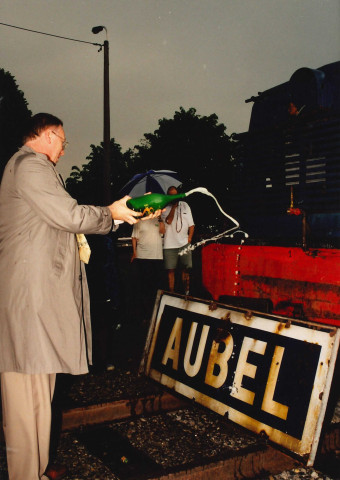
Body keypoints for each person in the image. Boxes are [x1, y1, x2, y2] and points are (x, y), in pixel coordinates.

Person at [0, 113, 159, 480]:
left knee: (39, 397)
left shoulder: (32, 168)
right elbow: (68, 215)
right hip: (29, 302)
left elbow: (61, 220)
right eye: (63, 141)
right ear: (48, 135)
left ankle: (35, 470)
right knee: (27, 405)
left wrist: (118, 217)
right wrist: (111, 212)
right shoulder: (30, 165)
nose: (64, 149)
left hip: (36, 302)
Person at [131, 213, 165, 321]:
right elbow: (134, 237)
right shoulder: (139, 220)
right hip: (143, 257)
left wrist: (160, 219)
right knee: (145, 287)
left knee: (157, 286)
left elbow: (163, 231)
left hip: (157, 257)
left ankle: (156, 312)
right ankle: (145, 314)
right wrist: (134, 253)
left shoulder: (159, 219)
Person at [162, 186, 195, 294]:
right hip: (169, 244)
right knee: (170, 270)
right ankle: (171, 292)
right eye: (171, 195)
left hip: (184, 243)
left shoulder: (185, 206)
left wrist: (189, 238)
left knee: (186, 269)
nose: (174, 197)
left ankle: (186, 292)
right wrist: (174, 208)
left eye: (175, 195)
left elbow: (191, 225)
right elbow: (169, 221)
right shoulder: (164, 207)